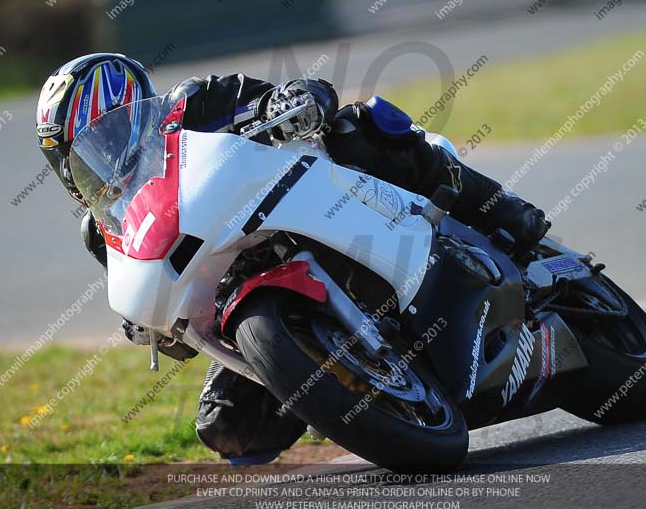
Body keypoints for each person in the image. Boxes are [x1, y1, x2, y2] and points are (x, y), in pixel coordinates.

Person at [36, 53, 549, 465]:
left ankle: (501, 210)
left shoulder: (194, 102)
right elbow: (153, 303)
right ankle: (344, 383)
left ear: (117, 111)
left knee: (361, 124)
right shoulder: (103, 227)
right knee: (228, 429)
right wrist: (146, 324)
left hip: (319, 207)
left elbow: (297, 96)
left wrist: (291, 101)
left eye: (83, 142)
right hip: (242, 299)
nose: (77, 161)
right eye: (65, 155)